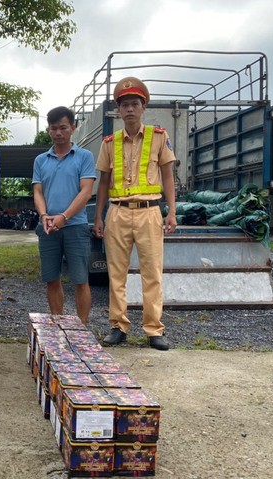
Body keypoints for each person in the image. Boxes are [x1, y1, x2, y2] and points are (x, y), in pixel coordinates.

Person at [93, 76, 177, 350]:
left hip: (149, 211)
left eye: (134, 104)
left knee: (152, 272)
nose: (129, 109)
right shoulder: (109, 143)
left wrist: (171, 211)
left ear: (143, 107)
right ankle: (118, 326)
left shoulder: (158, 137)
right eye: (124, 104)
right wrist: (98, 216)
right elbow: (103, 181)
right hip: (116, 213)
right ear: (118, 110)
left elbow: (167, 177)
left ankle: (154, 329)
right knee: (116, 273)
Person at [32, 106, 96, 323]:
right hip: (49, 227)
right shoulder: (41, 160)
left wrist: (65, 217)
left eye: (63, 128)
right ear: (49, 131)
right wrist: (43, 216)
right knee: (51, 279)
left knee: (80, 280)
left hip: (75, 226)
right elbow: (38, 191)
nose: (58, 133)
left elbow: (86, 191)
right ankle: (57, 323)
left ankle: (82, 328)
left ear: (73, 128)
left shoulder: (84, 156)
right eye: (53, 128)